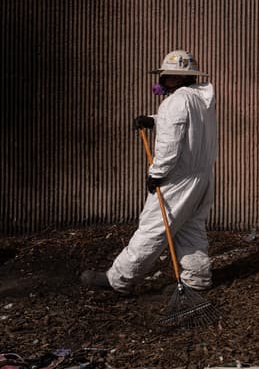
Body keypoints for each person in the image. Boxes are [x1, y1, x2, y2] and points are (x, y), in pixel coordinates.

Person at [81, 50, 218, 294]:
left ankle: (120, 279)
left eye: (166, 76)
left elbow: (171, 142)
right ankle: (197, 279)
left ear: (176, 78)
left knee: (153, 227)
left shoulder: (175, 102)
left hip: (177, 179)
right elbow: (185, 124)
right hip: (202, 177)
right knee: (190, 226)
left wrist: (157, 172)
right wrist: (154, 120)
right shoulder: (201, 99)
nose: (163, 81)